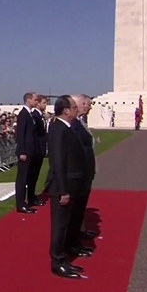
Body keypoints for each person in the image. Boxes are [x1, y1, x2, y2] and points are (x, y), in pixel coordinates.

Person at [45, 95, 86, 279]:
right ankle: (57, 261)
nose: (77, 110)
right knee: (60, 225)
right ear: (66, 110)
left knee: (66, 223)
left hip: (72, 182)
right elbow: (58, 162)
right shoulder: (59, 129)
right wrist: (63, 190)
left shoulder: (67, 128)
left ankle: (63, 257)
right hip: (64, 185)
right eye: (74, 107)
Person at [69, 95, 98, 253]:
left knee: (80, 206)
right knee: (74, 209)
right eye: (87, 104)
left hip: (85, 170)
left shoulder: (80, 122)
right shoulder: (72, 124)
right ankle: (73, 242)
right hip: (78, 172)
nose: (89, 107)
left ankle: (79, 231)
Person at [14, 92, 41, 214]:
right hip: (25, 152)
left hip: (31, 150)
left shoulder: (31, 115)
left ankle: (28, 199)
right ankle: (20, 204)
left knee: (29, 177)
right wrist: (22, 152)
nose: (37, 102)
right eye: (35, 99)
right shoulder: (23, 114)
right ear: (29, 100)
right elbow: (21, 134)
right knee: (22, 179)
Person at [28, 95, 47, 207]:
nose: (45, 105)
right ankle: (31, 196)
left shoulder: (40, 116)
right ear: (38, 103)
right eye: (43, 103)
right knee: (32, 175)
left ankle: (32, 195)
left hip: (40, 149)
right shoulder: (35, 116)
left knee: (35, 175)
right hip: (36, 150)